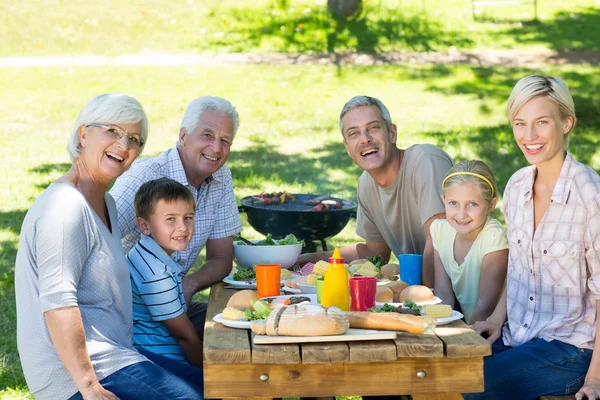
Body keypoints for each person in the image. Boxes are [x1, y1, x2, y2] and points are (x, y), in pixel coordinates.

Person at [15, 94, 202, 399]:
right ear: (83, 134)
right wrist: (89, 388)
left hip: (117, 355)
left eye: (133, 139)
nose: (124, 145)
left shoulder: (108, 204)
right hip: (76, 377)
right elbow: (58, 304)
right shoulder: (65, 208)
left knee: (217, 384)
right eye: (112, 131)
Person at [466, 76, 600, 400]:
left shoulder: (589, 195)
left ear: (566, 123)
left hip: (569, 351)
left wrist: (595, 379)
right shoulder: (516, 187)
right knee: (430, 373)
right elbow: (520, 268)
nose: (529, 137)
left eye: (541, 122)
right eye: (520, 124)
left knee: (468, 386)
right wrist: (497, 320)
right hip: (517, 336)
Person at [110, 96, 242, 336]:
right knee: (200, 350)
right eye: (207, 135)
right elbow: (99, 241)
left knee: (242, 325)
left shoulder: (221, 176)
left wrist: (189, 285)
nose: (216, 148)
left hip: (171, 305)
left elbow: (222, 258)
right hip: (125, 313)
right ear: (183, 136)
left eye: (225, 141)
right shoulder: (145, 176)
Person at [296, 95, 453, 287]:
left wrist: (421, 298)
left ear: (392, 133)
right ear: (347, 147)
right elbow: (375, 252)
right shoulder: (366, 184)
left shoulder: (425, 161)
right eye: (354, 133)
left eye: (373, 128)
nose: (365, 139)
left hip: (465, 295)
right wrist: (309, 259)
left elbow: (439, 241)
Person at [127, 178, 204, 387]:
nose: (182, 227)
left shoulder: (146, 253)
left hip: (155, 351)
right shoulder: (155, 274)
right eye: (170, 219)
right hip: (160, 361)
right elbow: (184, 336)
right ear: (144, 226)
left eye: (188, 217)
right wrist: (206, 371)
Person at [432, 160, 508, 324]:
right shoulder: (439, 231)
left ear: (491, 205)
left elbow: (486, 306)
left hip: (496, 330)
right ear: (443, 200)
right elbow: (443, 295)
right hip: (468, 325)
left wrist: (463, 342)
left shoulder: (494, 238)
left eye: (472, 204)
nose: (461, 214)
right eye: (453, 203)